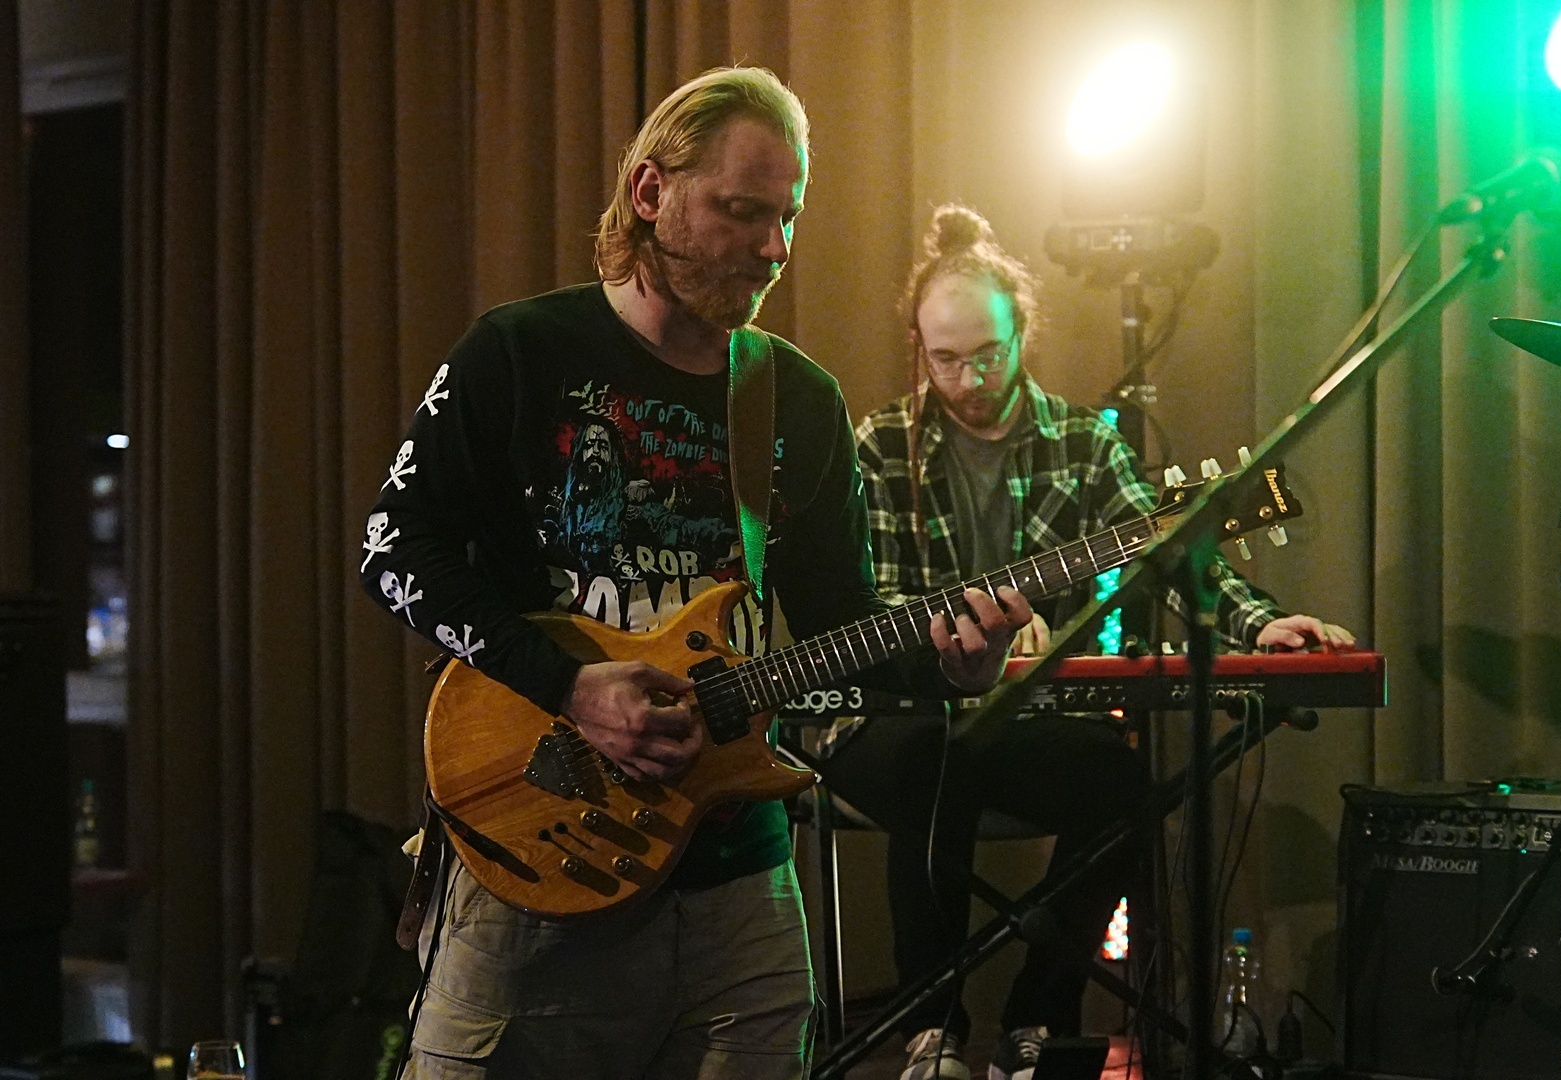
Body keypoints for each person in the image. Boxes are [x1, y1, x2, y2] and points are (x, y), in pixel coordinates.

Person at [358, 71, 1033, 1080]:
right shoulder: (520, 353)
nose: (775, 247)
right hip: (537, 855)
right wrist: (570, 686)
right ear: (650, 193)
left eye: (788, 217)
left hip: (738, 886)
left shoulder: (798, 400)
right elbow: (391, 550)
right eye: (743, 211)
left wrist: (949, 668)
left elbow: (840, 620)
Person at [819, 205, 1354, 1080]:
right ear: (919, 346)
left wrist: (1260, 624)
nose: (968, 378)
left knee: (1119, 781)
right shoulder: (878, 445)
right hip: (902, 717)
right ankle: (932, 1028)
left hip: (1022, 717)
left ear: (1021, 332)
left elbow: (1171, 550)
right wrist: (963, 640)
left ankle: (1039, 1018)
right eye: (945, 359)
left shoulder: (1085, 443)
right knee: (928, 757)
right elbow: (866, 603)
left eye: (987, 354)